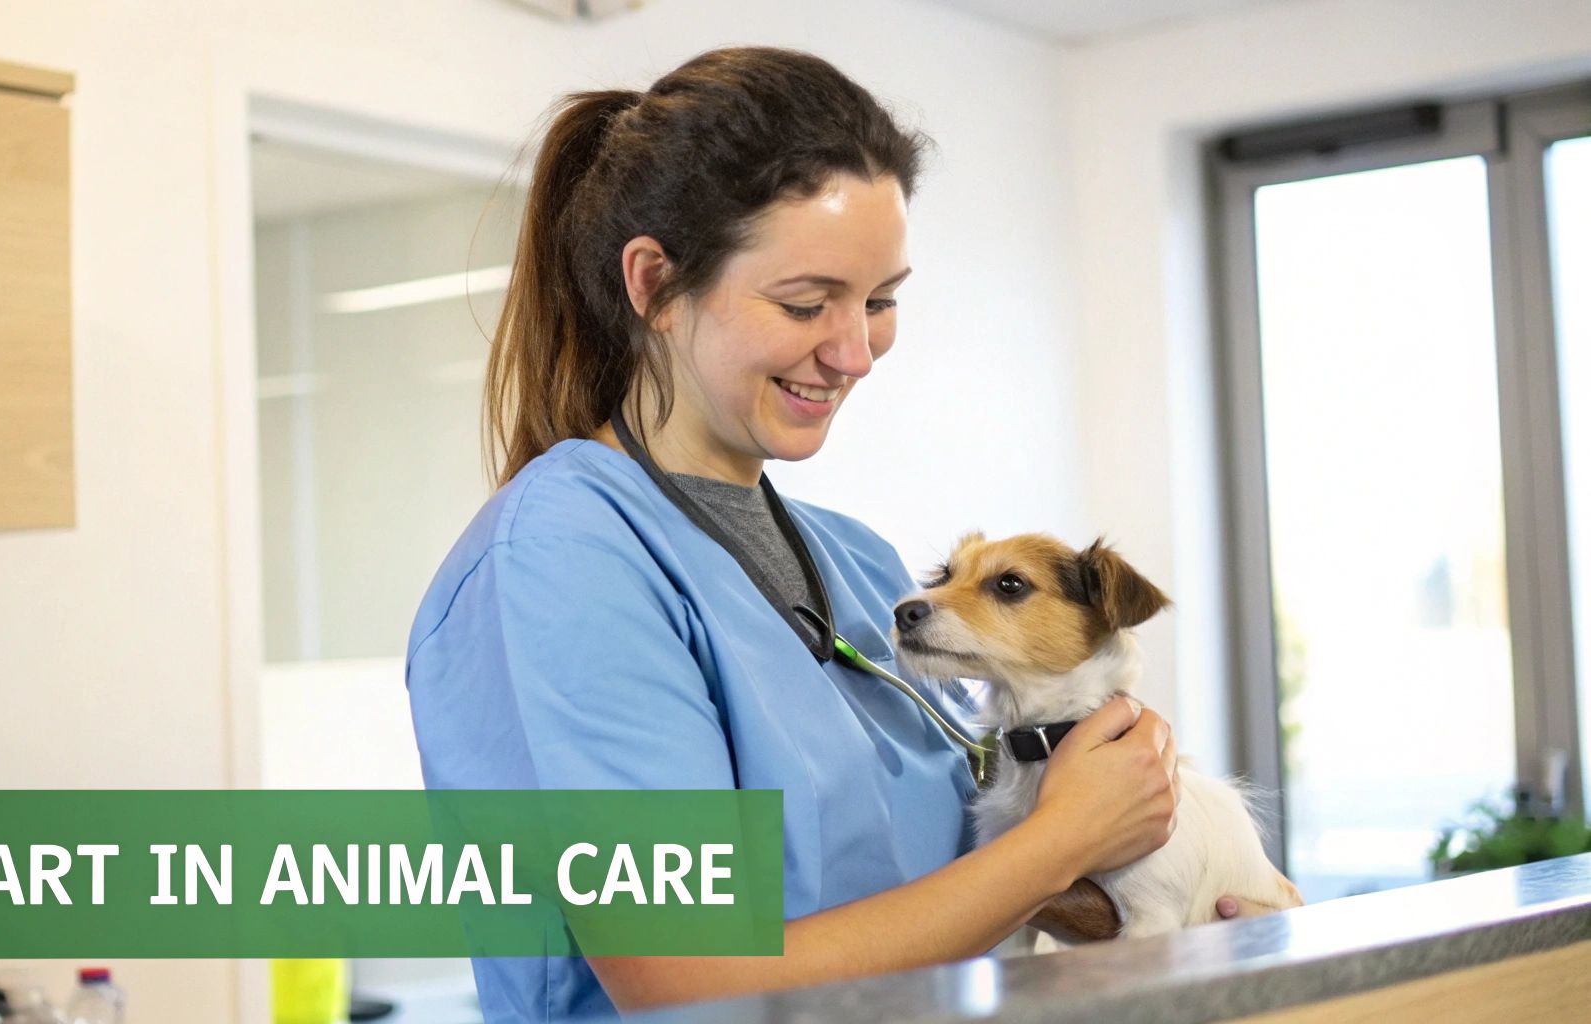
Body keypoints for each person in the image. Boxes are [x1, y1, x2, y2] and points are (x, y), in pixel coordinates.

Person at [406, 46, 1289, 1023]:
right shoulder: (565, 557)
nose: (853, 350)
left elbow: (956, 901)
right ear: (653, 282)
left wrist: (1195, 880)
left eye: (879, 300)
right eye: (804, 302)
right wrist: (1060, 838)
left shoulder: (862, 568)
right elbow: (686, 983)